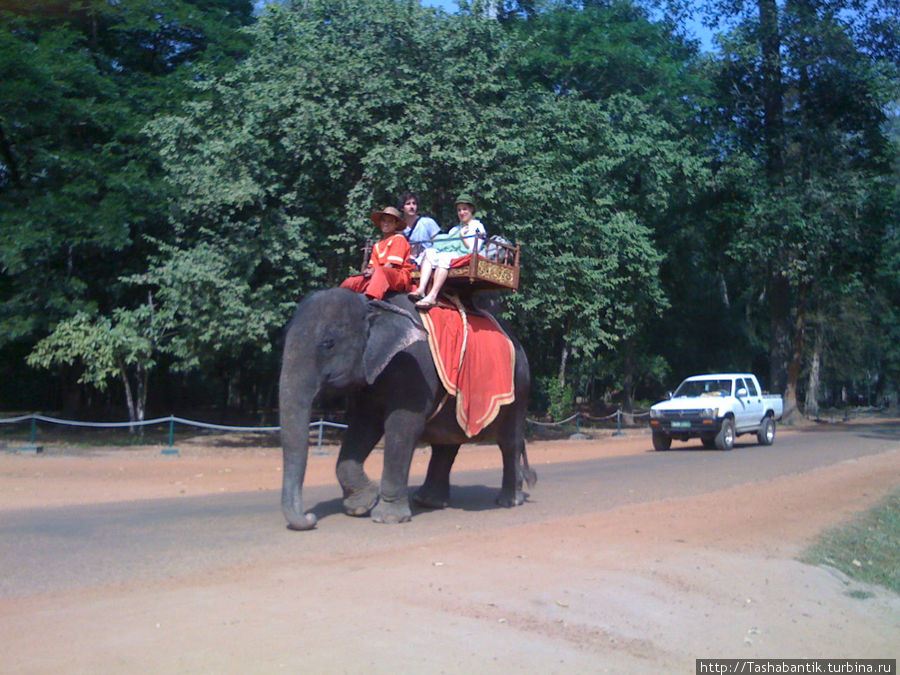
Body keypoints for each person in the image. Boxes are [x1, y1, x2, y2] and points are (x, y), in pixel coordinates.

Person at [410, 194, 485, 310]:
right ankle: (421, 289)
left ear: (471, 210)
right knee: (430, 252)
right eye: (459, 210)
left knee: (444, 258)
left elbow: (472, 249)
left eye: (464, 209)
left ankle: (433, 295)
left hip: (463, 255)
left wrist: (462, 236)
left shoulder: (477, 227)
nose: (462, 213)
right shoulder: (455, 229)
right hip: (451, 253)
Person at [340, 206, 412, 300]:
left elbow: (390, 265)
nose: (386, 224)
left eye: (390, 221)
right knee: (351, 281)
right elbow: (373, 267)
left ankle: (371, 300)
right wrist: (368, 272)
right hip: (378, 276)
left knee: (380, 271)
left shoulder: (398, 239)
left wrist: (374, 271)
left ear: (396, 225)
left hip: (397, 277)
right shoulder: (377, 245)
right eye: (384, 221)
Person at [399, 192, 440, 266]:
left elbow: (438, 243)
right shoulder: (400, 228)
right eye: (408, 204)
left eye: (414, 203)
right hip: (409, 262)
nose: (412, 207)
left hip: (429, 261)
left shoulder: (427, 222)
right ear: (402, 208)